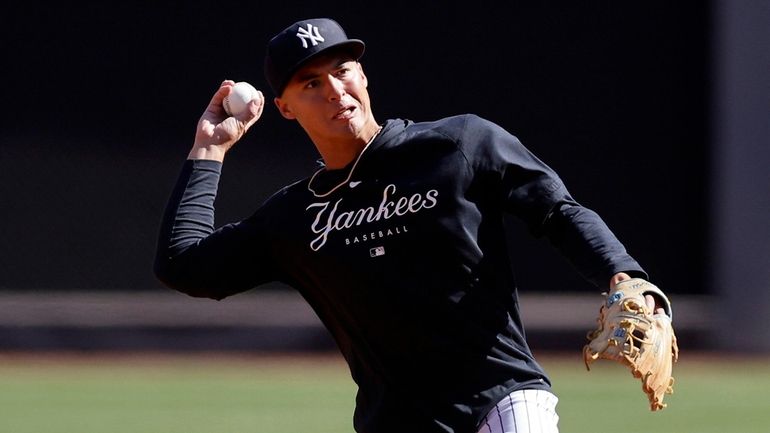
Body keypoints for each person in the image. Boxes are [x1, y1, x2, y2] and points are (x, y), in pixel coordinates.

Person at [155, 18, 666, 433]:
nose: (335, 90)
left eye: (344, 69)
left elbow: (556, 210)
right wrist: (210, 148)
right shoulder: (295, 218)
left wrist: (622, 275)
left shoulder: (458, 146)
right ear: (284, 108)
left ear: (364, 75)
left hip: (504, 400)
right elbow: (184, 264)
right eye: (312, 82)